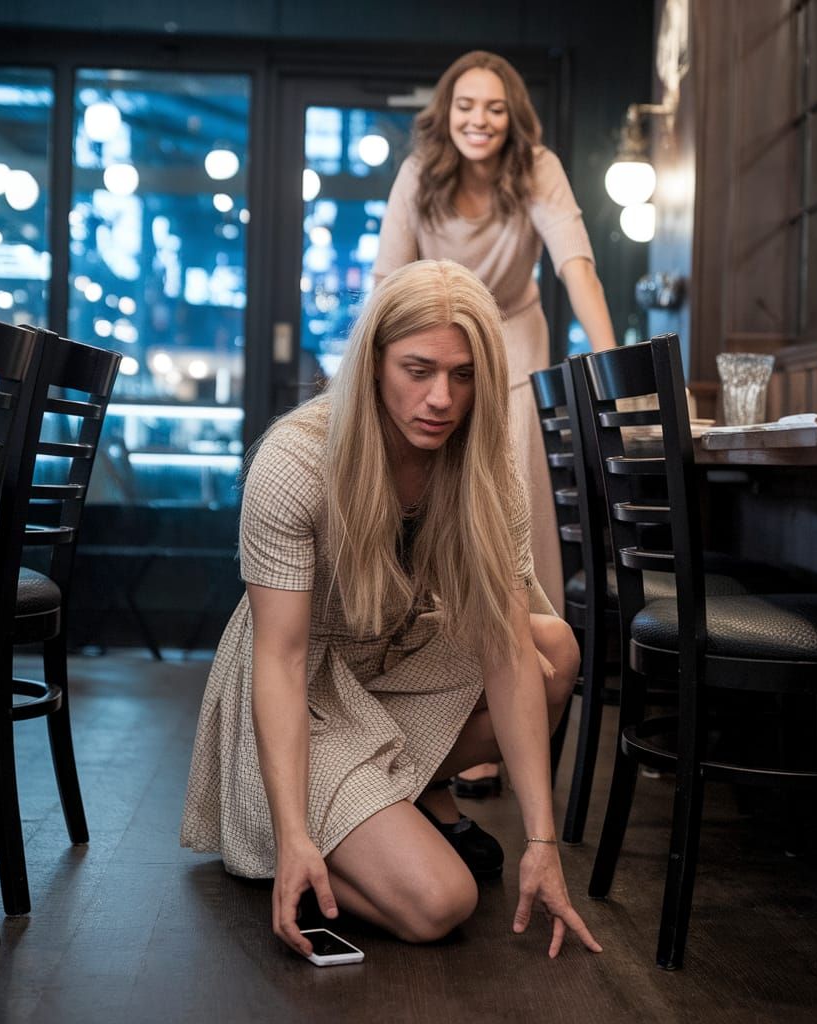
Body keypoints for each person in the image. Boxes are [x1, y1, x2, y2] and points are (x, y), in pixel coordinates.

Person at [181, 259, 601, 960]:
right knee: (442, 902)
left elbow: (502, 646)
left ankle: (401, 800)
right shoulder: (295, 461)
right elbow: (279, 662)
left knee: (551, 648)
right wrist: (292, 838)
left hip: (398, 659)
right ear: (373, 361)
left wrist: (542, 841)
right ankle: (326, 821)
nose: (441, 397)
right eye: (418, 369)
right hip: (309, 691)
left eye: (463, 375)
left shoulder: (483, 462)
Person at [374, 50, 618, 798]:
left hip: (510, 344)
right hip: (433, 339)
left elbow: (577, 265)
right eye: (466, 107)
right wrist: (371, 377)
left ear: (514, 118)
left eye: (495, 109)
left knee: (503, 516)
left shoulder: (537, 167)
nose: (479, 121)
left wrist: (610, 367)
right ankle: (436, 702)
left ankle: (508, 705)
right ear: (446, 113)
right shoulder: (420, 171)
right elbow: (387, 278)